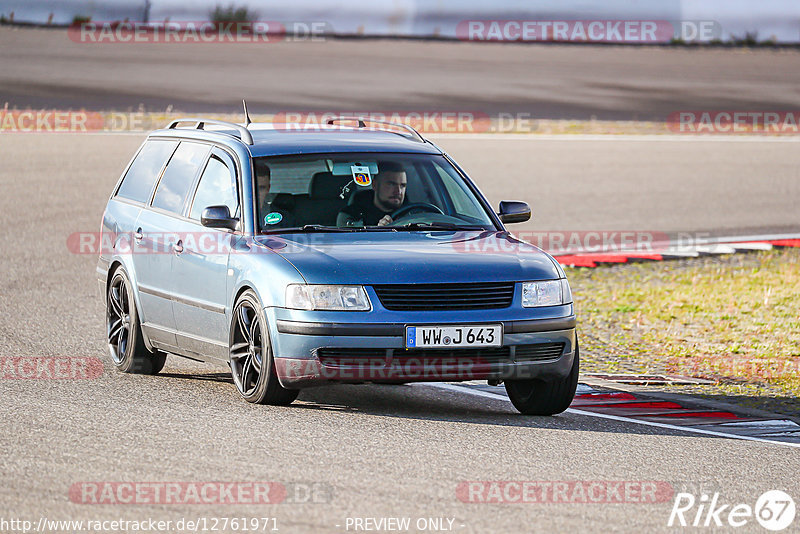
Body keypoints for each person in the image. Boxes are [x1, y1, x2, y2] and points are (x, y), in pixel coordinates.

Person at [337, 161, 407, 227]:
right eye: (391, 184)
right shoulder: (351, 216)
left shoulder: (412, 215)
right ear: (374, 185)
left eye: (402, 185)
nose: (399, 191)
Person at [255, 160, 294, 229]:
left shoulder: (284, 218)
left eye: (261, 188)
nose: (256, 193)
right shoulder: (233, 217)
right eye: (252, 188)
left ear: (268, 189)